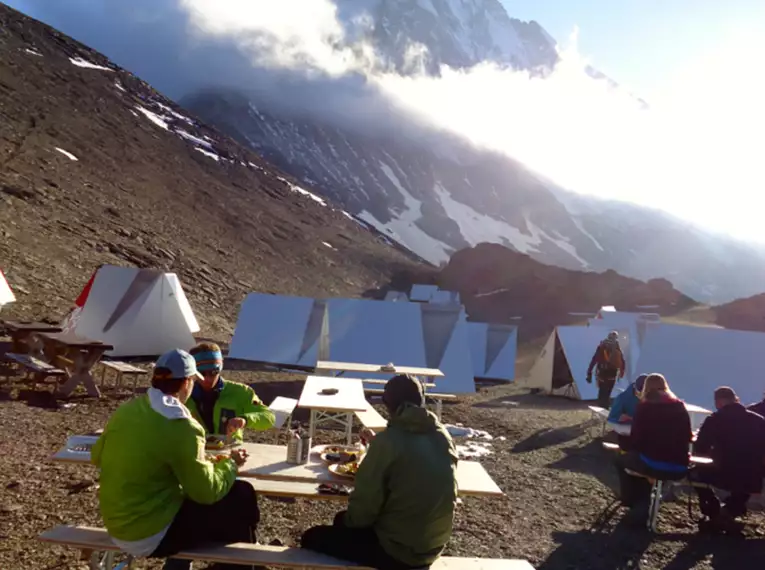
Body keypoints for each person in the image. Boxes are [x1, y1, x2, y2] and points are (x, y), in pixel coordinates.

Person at [92, 349, 260, 570]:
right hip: (151, 534)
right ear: (187, 383)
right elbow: (206, 492)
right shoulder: (182, 425)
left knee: (232, 507)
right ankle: (243, 564)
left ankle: (239, 564)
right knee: (240, 495)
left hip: (117, 523)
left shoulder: (127, 410)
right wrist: (230, 464)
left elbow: (97, 457)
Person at [301, 374, 458, 570]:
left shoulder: (389, 442)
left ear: (388, 404)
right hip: (433, 545)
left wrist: (345, 522)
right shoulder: (442, 435)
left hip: (399, 552)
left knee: (313, 537)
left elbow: (364, 509)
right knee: (345, 525)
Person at [614, 373, 693, 508]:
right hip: (679, 465)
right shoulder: (679, 406)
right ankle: (646, 500)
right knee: (640, 459)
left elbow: (637, 438)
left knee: (621, 460)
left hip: (652, 463)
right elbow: (688, 436)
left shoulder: (645, 407)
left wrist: (625, 444)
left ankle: (630, 499)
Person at [692, 386, 765, 531]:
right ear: (736, 399)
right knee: (745, 481)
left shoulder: (714, 420)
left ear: (718, 402)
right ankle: (730, 510)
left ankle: (713, 511)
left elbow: (700, 448)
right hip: (753, 476)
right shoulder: (759, 421)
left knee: (694, 474)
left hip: (722, 473)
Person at [186, 343, 275, 441]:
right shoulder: (182, 394)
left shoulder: (240, 392)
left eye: (213, 372)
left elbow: (269, 417)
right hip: (191, 453)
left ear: (221, 365)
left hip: (228, 454)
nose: (207, 378)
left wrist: (245, 420)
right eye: (201, 373)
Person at [608, 373, 648, 450]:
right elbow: (611, 418)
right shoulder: (622, 398)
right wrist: (620, 418)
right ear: (634, 387)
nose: (642, 396)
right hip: (628, 426)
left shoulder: (652, 397)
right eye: (640, 393)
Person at [586, 331, 626, 408]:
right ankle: (605, 407)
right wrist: (622, 372)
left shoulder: (602, 345)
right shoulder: (617, 346)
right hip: (612, 373)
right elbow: (622, 361)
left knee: (602, 391)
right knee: (608, 391)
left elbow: (595, 359)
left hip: (602, 372)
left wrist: (589, 371)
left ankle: (601, 407)